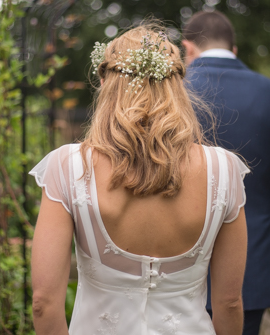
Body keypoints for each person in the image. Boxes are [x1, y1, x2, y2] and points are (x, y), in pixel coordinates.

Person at [30, 25, 250, 335]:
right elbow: (229, 302)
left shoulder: (68, 167)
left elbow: (44, 303)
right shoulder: (224, 170)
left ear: (105, 83)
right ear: (176, 86)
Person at [182, 11, 270, 335]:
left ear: (187, 48)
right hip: (252, 265)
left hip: (174, 260)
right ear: (234, 49)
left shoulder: (170, 92)